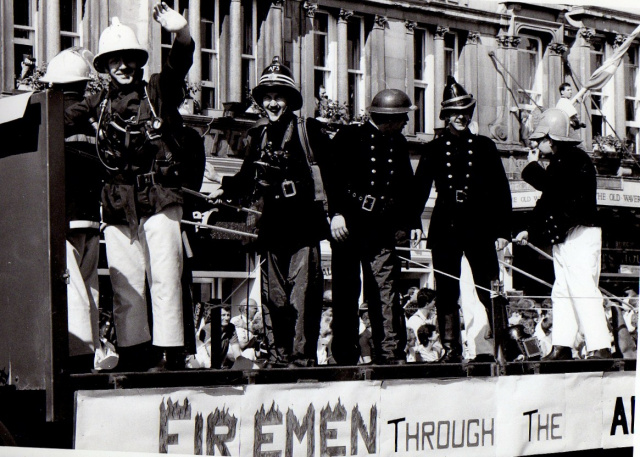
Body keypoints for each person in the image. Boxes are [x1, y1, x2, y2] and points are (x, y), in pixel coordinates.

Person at [65, 3, 195, 370]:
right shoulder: (98, 103)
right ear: (105, 66)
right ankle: (135, 353)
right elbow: (64, 114)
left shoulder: (156, 91)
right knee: (125, 286)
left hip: (158, 197)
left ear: (139, 62)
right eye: (115, 60)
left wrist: (181, 34)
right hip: (119, 204)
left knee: (165, 277)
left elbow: (178, 66)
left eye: (130, 59)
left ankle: (169, 354)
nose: (123, 66)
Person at [208, 57, 332, 367]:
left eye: (279, 97)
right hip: (271, 231)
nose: (273, 103)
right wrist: (223, 189)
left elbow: (333, 174)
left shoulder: (309, 130)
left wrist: (338, 213)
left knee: (303, 298)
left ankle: (303, 361)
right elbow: (246, 177)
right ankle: (279, 359)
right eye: (267, 97)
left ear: (289, 100)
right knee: (274, 298)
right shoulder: (257, 136)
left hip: (304, 229)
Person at [413, 76, 512, 363]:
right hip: (445, 224)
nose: (461, 116)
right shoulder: (433, 149)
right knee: (446, 289)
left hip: (478, 223)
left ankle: (504, 345)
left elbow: (500, 189)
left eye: (465, 111)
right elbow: (420, 189)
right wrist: (412, 224)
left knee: (489, 285)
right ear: (445, 115)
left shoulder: (484, 146)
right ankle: (450, 348)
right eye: (455, 112)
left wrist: (503, 229)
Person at [39, 48, 117, 372]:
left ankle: (82, 354)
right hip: (89, 219)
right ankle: (93, 350)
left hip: (65, 218)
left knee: (73, 291)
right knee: (89, 289)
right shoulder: (92, 119)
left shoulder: (59, 114)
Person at [329, 88, 419, 365]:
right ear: (388, 118)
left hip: (381, 226)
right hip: (349, 224)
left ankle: (389, 351)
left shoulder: (398, 143)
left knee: (384, 289)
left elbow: (407, 187)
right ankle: (344, 354)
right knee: (346, 291)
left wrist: (411, 222)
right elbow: (332, 178)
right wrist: (336, 214)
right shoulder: (348, 137)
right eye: (402, 117)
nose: (405, 122)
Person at [515, 108, 612, 360]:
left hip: (579, 232)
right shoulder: (567, 160)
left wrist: (531, 167)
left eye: (539, 140)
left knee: (582, 287)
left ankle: (599, 345)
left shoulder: (571, 160)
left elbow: (552, 190)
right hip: (568, 234)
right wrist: (529, 228)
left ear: (551, 138)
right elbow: (548, 200)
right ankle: (563, 344)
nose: (536, 144)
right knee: (563, 290)